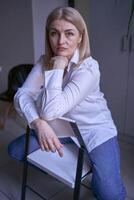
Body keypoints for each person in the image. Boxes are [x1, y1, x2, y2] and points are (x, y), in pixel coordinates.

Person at [8, 6, 126, 200]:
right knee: (15, 151)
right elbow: (21, 95)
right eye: (54, 33)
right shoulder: (44, 60)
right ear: (48, 36)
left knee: (109, 194)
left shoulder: (89, 68)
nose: (61, 41)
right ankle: (76, 159)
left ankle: (97, 168)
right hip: (61, 128)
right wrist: (38, 123)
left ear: (80, 36)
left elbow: (50, 110)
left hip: (94, 130)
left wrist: (58, 66)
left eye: (69, 34)